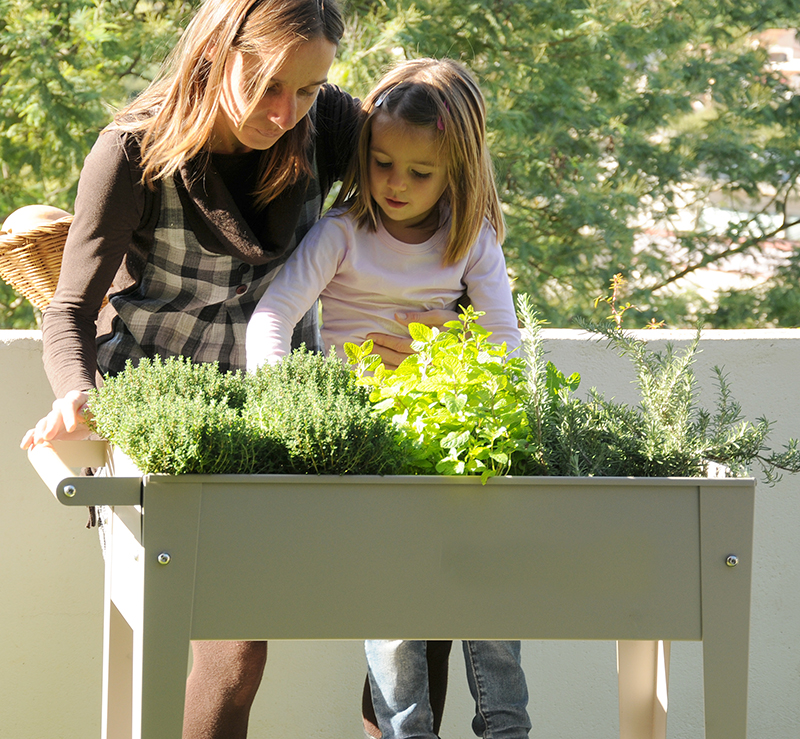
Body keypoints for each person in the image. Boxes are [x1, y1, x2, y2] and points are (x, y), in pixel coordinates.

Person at [18, 1, 451, 736]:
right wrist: (78, 396)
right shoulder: (130, 152)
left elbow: (445, 181)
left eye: (310, 90)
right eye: (270, 84)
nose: (287, 112)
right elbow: (67, 312)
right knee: (237, 636)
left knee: (414, 570)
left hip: (287, 409)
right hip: (165, 424)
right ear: (218, 50)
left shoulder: (329, 126)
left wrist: (435, 339)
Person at [246, 57, 531, 739]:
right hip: (365, 443)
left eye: (420, 172)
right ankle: (408, 732)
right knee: (395, 611)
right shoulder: (343, 232)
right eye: (381, 163)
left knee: (489, 594)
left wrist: (441, 353)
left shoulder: (472, 242)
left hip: (449, 441)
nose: (396, 184)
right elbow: (273, 316)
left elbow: (505, 352)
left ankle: (508, 726)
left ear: (456, 172)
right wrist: (284, 406)